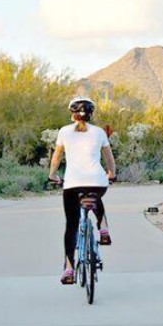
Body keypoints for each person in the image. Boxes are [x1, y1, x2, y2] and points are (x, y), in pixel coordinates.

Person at [48, 96, 117, 285]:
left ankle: (69, 268)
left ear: (72, 115)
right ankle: (103, 228)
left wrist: (53, 175)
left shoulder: (64, 132)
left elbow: (56, 158)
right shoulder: (99, 132)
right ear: (90, 114)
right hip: (97, 182)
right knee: (95, 193)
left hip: (72, 184)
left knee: (71, 225)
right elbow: (109, 160)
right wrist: (111, 174)